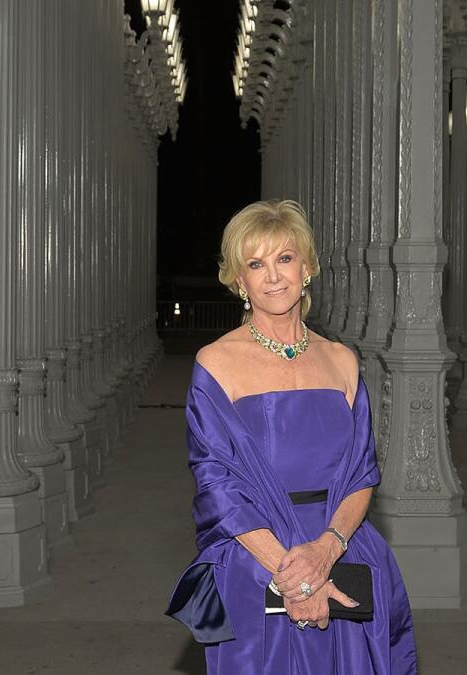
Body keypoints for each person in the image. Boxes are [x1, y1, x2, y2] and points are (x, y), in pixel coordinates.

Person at [166, 200, 418, 673]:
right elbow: (217, 489)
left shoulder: (342, 360)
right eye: (255, 264)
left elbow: (363, 474)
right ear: (239, 281)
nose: (273, 276)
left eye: (284, 258)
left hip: (343, 551)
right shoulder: (215, 364)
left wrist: (325, 552)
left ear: (307, 267)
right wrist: (296, 579)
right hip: (257, 561)